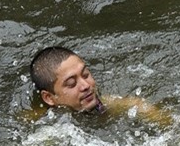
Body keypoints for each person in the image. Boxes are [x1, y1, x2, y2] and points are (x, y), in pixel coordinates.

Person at [28, 46, 172, 125]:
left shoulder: (111, 105)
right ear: (49, 98)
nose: (85, 85)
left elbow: (140, 107)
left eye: (85, 75)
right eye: (71, 84)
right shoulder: (38, 123)